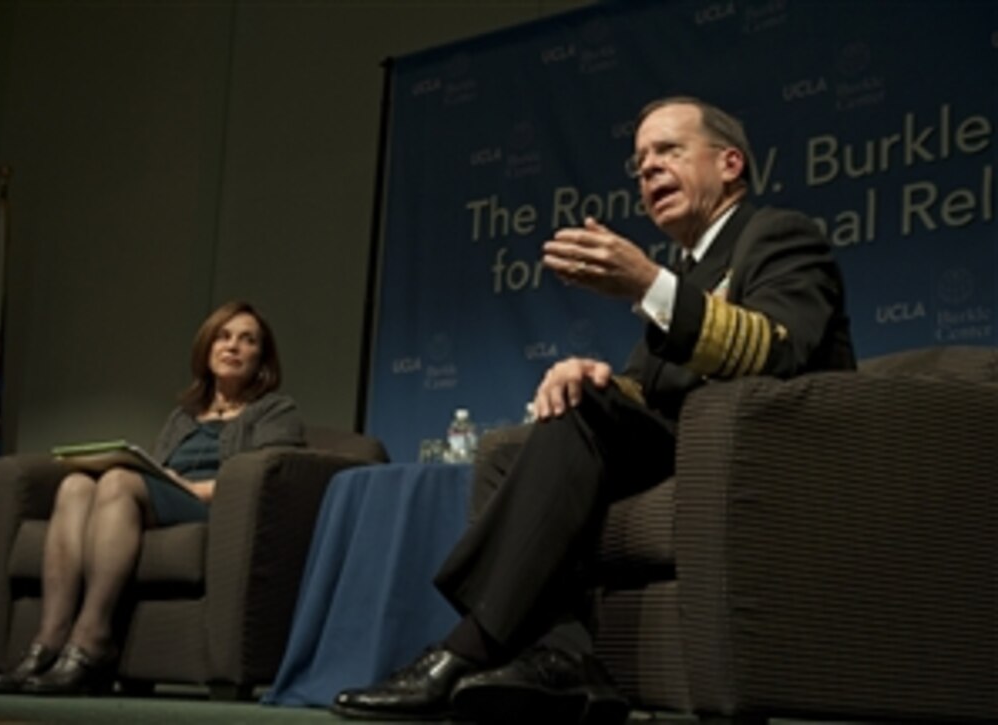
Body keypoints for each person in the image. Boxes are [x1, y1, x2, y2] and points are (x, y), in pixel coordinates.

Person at [331, 96, 856, 723]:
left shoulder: (777, 234)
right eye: (638, 163)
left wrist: (646, 285)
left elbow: (778, 348)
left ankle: (465, 648)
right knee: (524, 439)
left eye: (668, 151)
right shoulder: (683, 271)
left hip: (764, 453)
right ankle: (565, 659)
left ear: (730, 163)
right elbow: (644, 391)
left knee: (583, 416)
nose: (648, 171)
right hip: (690, 448)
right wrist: (587, 375)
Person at [0, 300, 305, 696]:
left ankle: (93, 639)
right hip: (169, 500)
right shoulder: (184, 416)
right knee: (75, 487)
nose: (233, 346)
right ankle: (49, 639)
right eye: (223, 337)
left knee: (118, 482)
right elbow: (160, 469)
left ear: (262, 358)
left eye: (247, 340)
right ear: (206, 349)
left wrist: (186, 488)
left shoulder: (276, 411)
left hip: (216, 511)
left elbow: (264, 483)